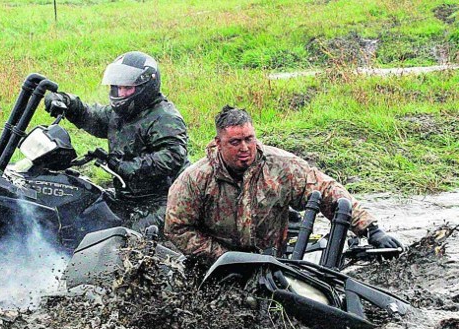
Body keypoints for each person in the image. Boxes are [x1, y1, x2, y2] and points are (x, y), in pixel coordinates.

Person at [165, 105, 402, 263]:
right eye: (235, 142)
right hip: (217, 264)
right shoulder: (195, 179)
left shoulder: (280, 165)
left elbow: (328, 190)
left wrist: (371, 229)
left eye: (249, 139)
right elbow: (177, 227)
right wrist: (224, 257)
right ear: (219, 142)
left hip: (274, 260)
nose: (245, 148)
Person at [44, 51, 188, 233]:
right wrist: (67, 102)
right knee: (85, 209)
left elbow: (171, 157)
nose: (121, 93)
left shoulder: (165, 118)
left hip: (164, 201)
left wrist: (122, 166)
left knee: (123, 240)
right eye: (118, 88)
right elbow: (92, 116)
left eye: (128, 88)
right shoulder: (120, 114)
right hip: (127, 197)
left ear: (147, 87)